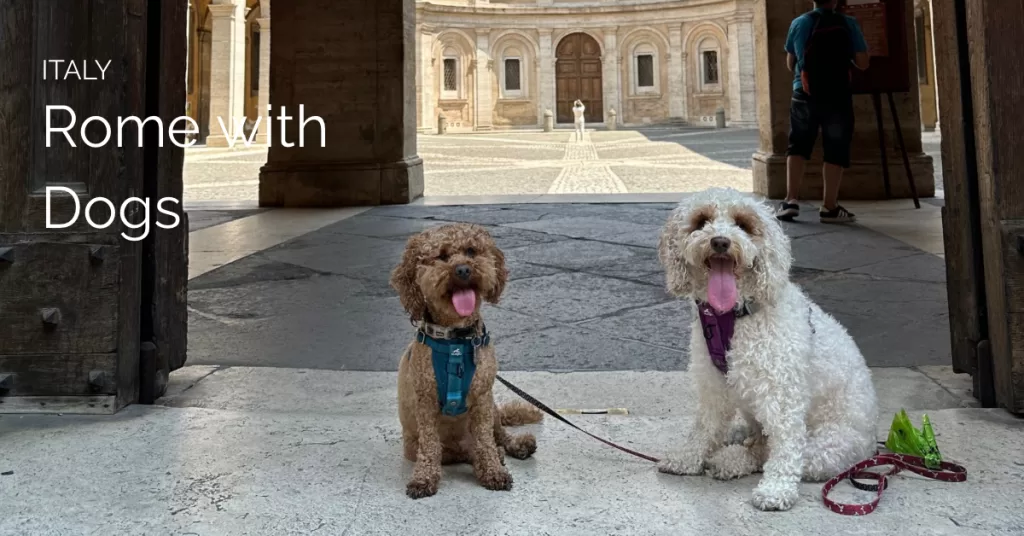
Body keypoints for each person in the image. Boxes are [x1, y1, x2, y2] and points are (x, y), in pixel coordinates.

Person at [776, 0, 869, 223]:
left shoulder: (798, 23)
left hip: (804, 92)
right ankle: (829, 207)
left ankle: (790, 201)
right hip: (837, 94)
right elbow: (863, 62)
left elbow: (791, 63)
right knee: (835, 148)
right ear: (835, 1)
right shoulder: (848, 23)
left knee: (797, 145)